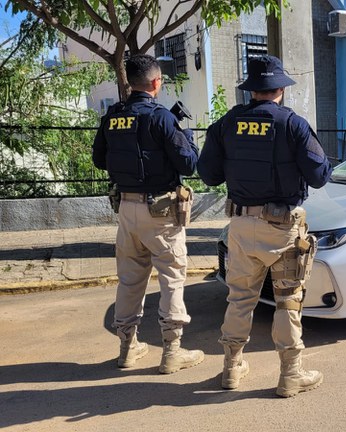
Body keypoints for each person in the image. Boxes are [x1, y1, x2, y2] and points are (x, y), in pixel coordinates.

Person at [197, 55, 333, 397]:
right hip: (283, 228)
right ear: (280, 91)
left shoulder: (227, 124)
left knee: (239, 298)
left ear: (252, 91)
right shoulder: (293, 125)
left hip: (241, 225)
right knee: (288, 300)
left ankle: (231, 368)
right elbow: (320, 176)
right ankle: (290, 374)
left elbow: (208, 174)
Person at [92, 54, 204, 374]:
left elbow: (100, 160)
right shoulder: (162, 118)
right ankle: (172, 352)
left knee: (129, 280)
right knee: (171, 277)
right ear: (157, 83)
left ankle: (127, 349)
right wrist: (187, 137)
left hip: (126, 209)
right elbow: (188, 164)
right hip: (162, 211)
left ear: (130, 83)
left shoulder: (113, 116)